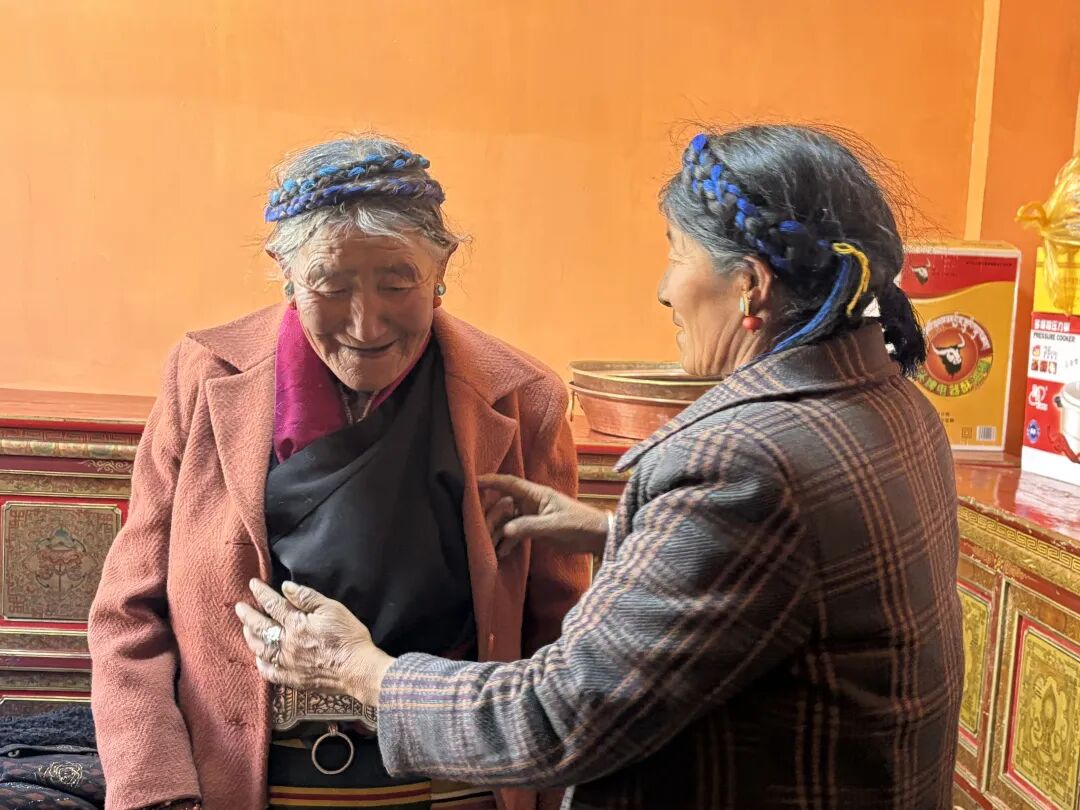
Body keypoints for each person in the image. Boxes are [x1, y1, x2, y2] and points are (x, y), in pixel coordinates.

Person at [238, 124, 965, 809]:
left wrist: (361, 670)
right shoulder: (891, 402)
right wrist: (623, 531)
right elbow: (786, 571)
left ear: (750, 284)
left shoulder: (737, 463)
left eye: (677, 253)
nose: (664, 288)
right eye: (331, 285)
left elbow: (553, 718)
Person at [88, 135, 590, 810]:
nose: (366, 324)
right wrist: (156, 793)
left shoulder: (521, 399)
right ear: (285, 272)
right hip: (247, 784)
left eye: (398, 284)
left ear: (443, 267)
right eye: (330, 285)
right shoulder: (203, 379)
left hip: (457, 787)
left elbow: (557, 635)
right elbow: (129, 614)